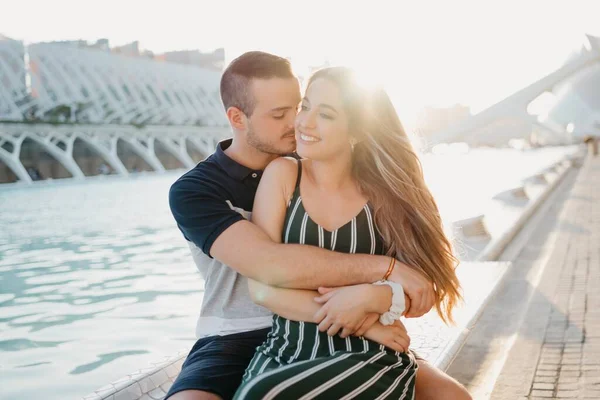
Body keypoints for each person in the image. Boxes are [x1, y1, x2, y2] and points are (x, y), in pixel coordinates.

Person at [167, 51, 471, 400]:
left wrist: (379, 298)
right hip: (235, 336)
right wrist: (386, 274)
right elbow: (270, 266)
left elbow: (421, 276)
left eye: (299, 106)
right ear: (237, 117)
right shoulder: (197, 190)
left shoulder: (320, 159)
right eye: (280, 114)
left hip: (346, 325)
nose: (297, 122)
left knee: (451, 396)